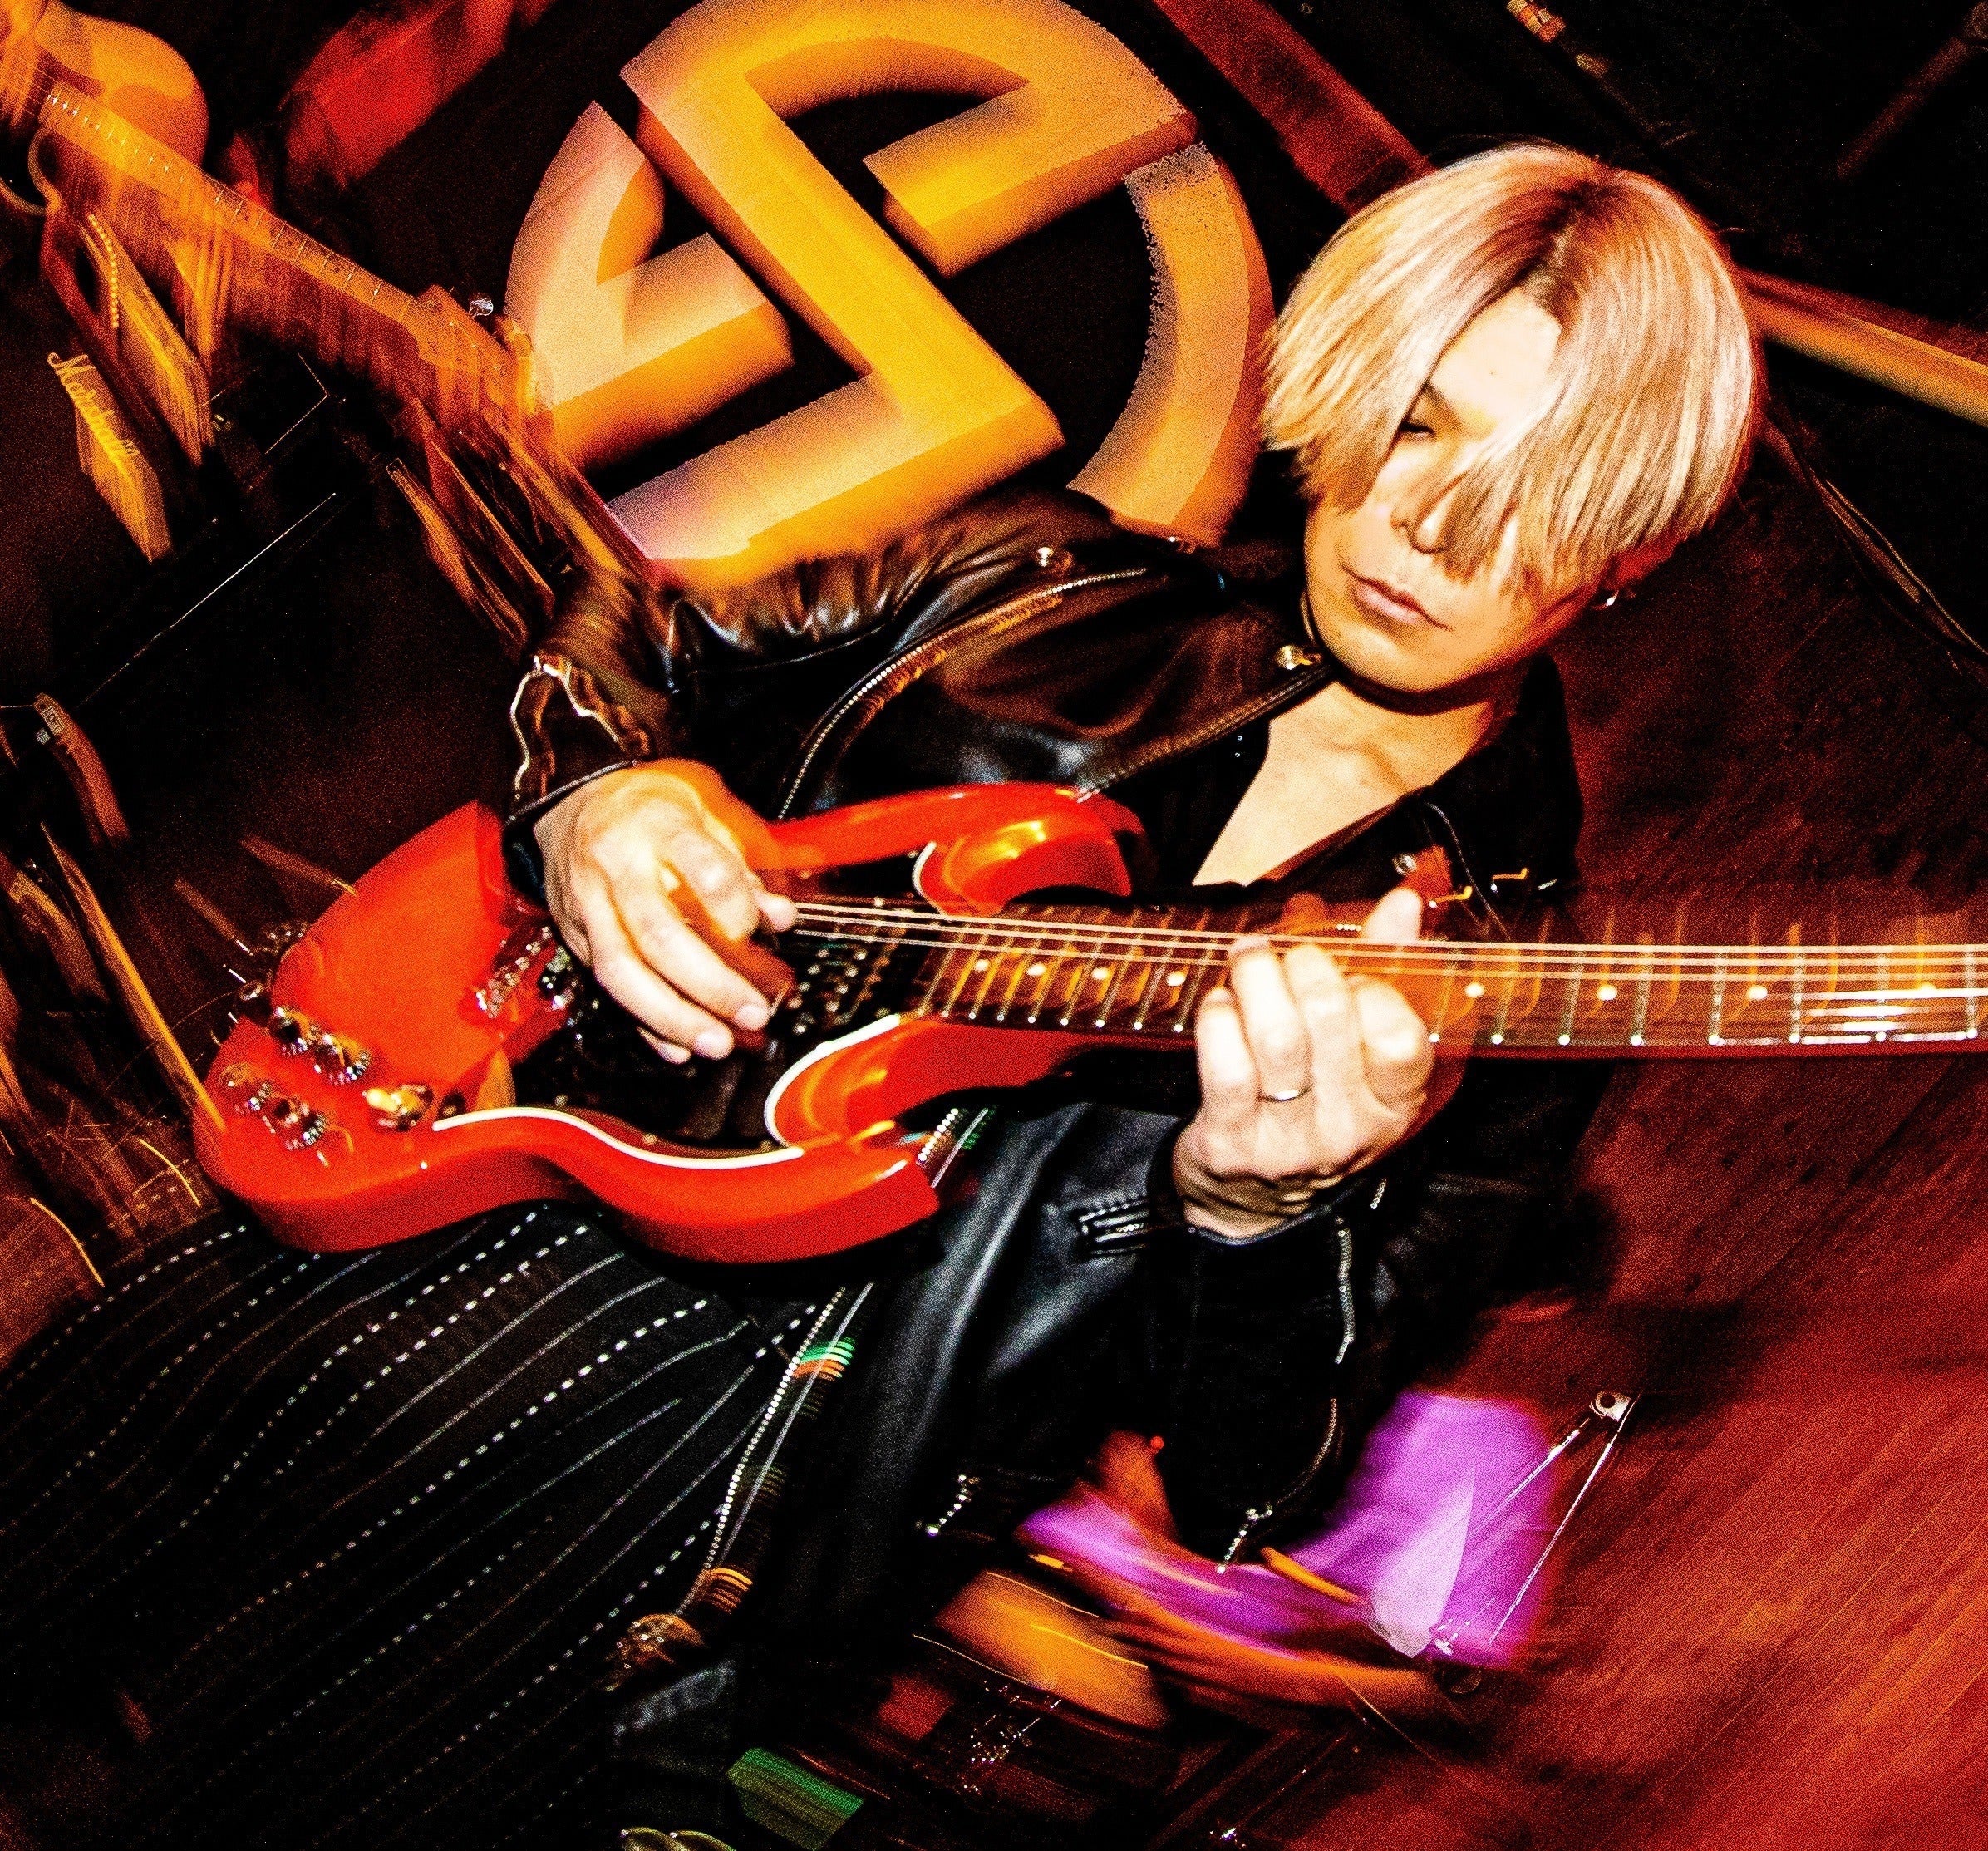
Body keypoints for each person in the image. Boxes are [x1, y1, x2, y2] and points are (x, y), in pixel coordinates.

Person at [0, 142, 1757, 1849]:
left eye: (1530, 495)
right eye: (1417, 421)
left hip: (693, 1521)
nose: (1425, 523)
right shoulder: (1042, 577)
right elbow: (645, 638)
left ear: (1629, 551)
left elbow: (1258, 1480)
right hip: (416, 1195)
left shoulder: (1503, 987)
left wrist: (1259, 1214)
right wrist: (601, 795)